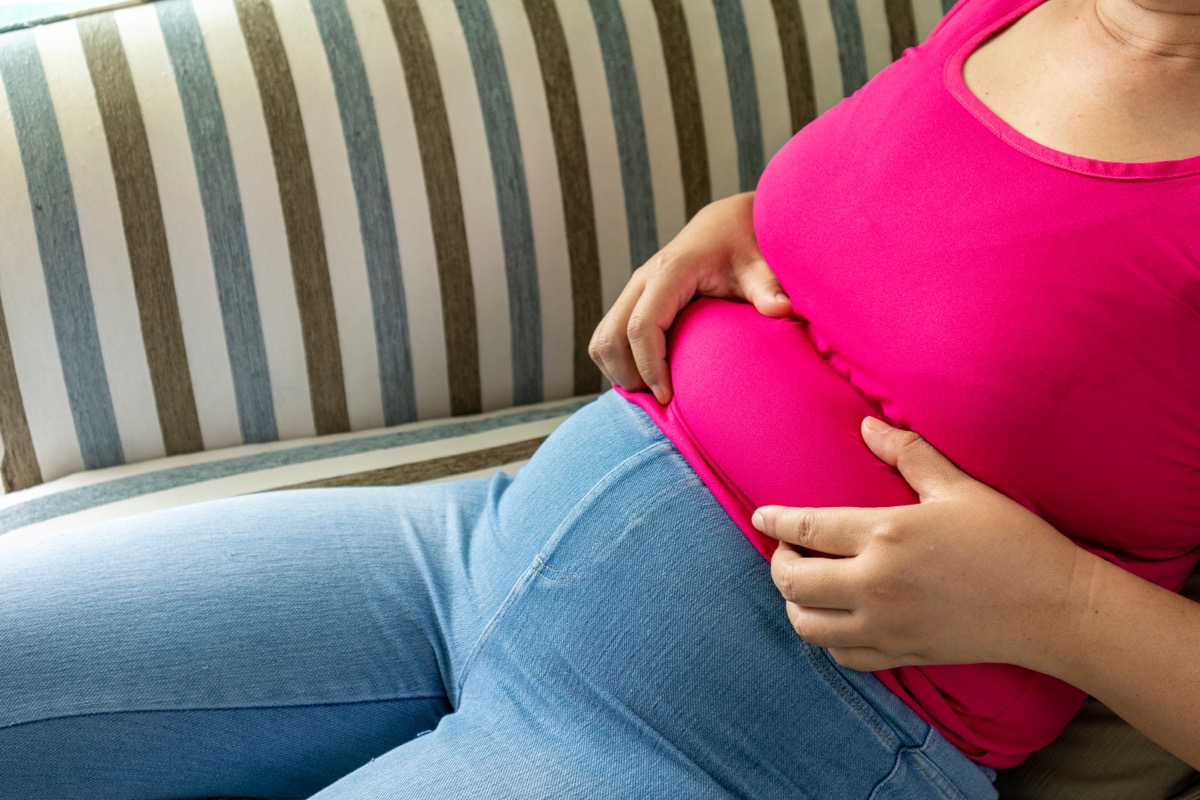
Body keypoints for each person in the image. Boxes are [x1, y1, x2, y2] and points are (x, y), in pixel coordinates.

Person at [1, 0, 1197, 795]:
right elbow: (975, 258)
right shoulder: (1021, 9)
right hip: (481, 542)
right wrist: (751, 226)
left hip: (753, 728)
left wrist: (1062, 602)